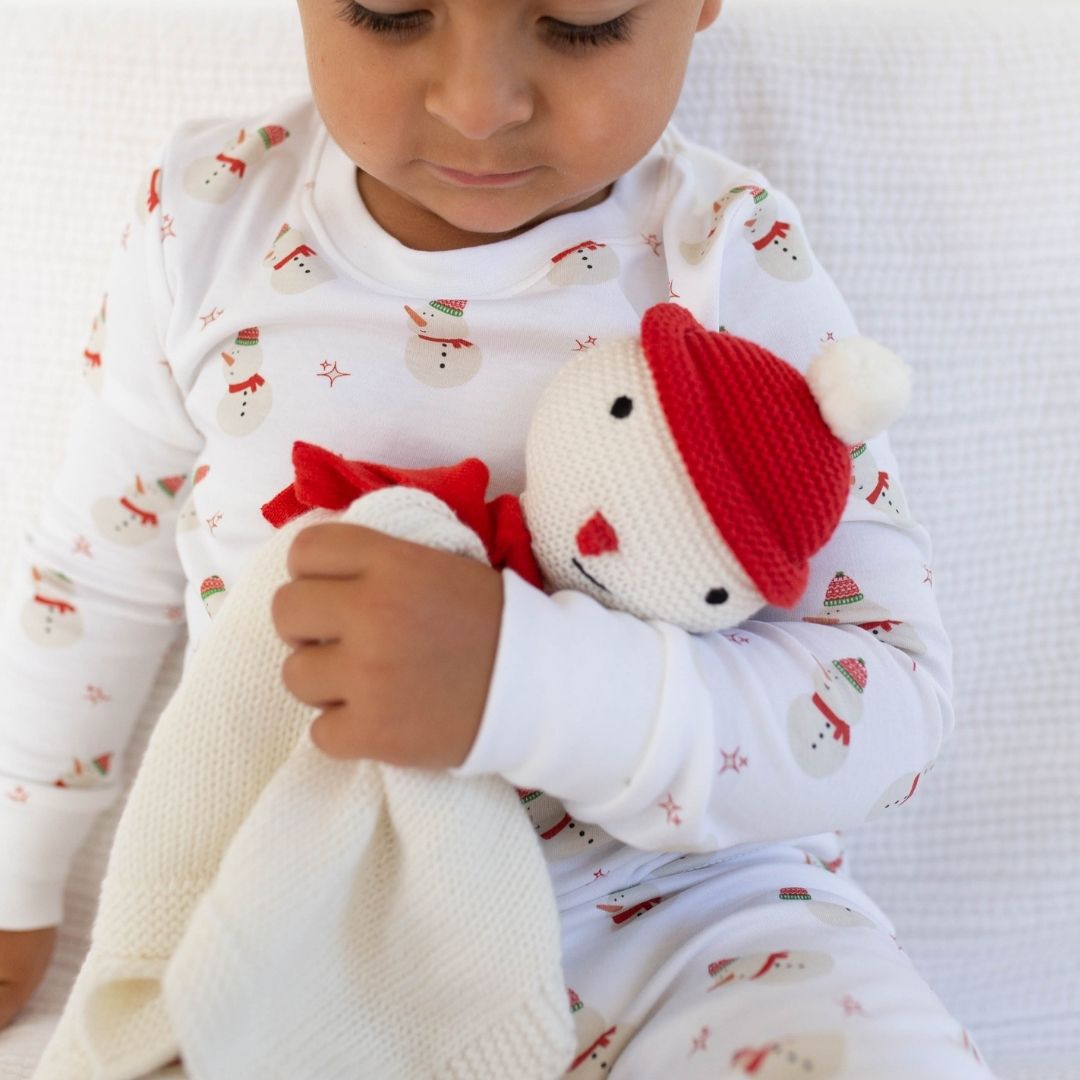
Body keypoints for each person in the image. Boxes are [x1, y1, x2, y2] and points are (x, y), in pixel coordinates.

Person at [0, 1, 995, 1074]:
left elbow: (889, 693)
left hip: (689, 919)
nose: (477, 105)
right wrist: (20, 867)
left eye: (582, 21)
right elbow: (92, 577)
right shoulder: (209, 224)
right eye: (390, 11)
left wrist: (523, 682)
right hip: (315, 904)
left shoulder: (725, 254)